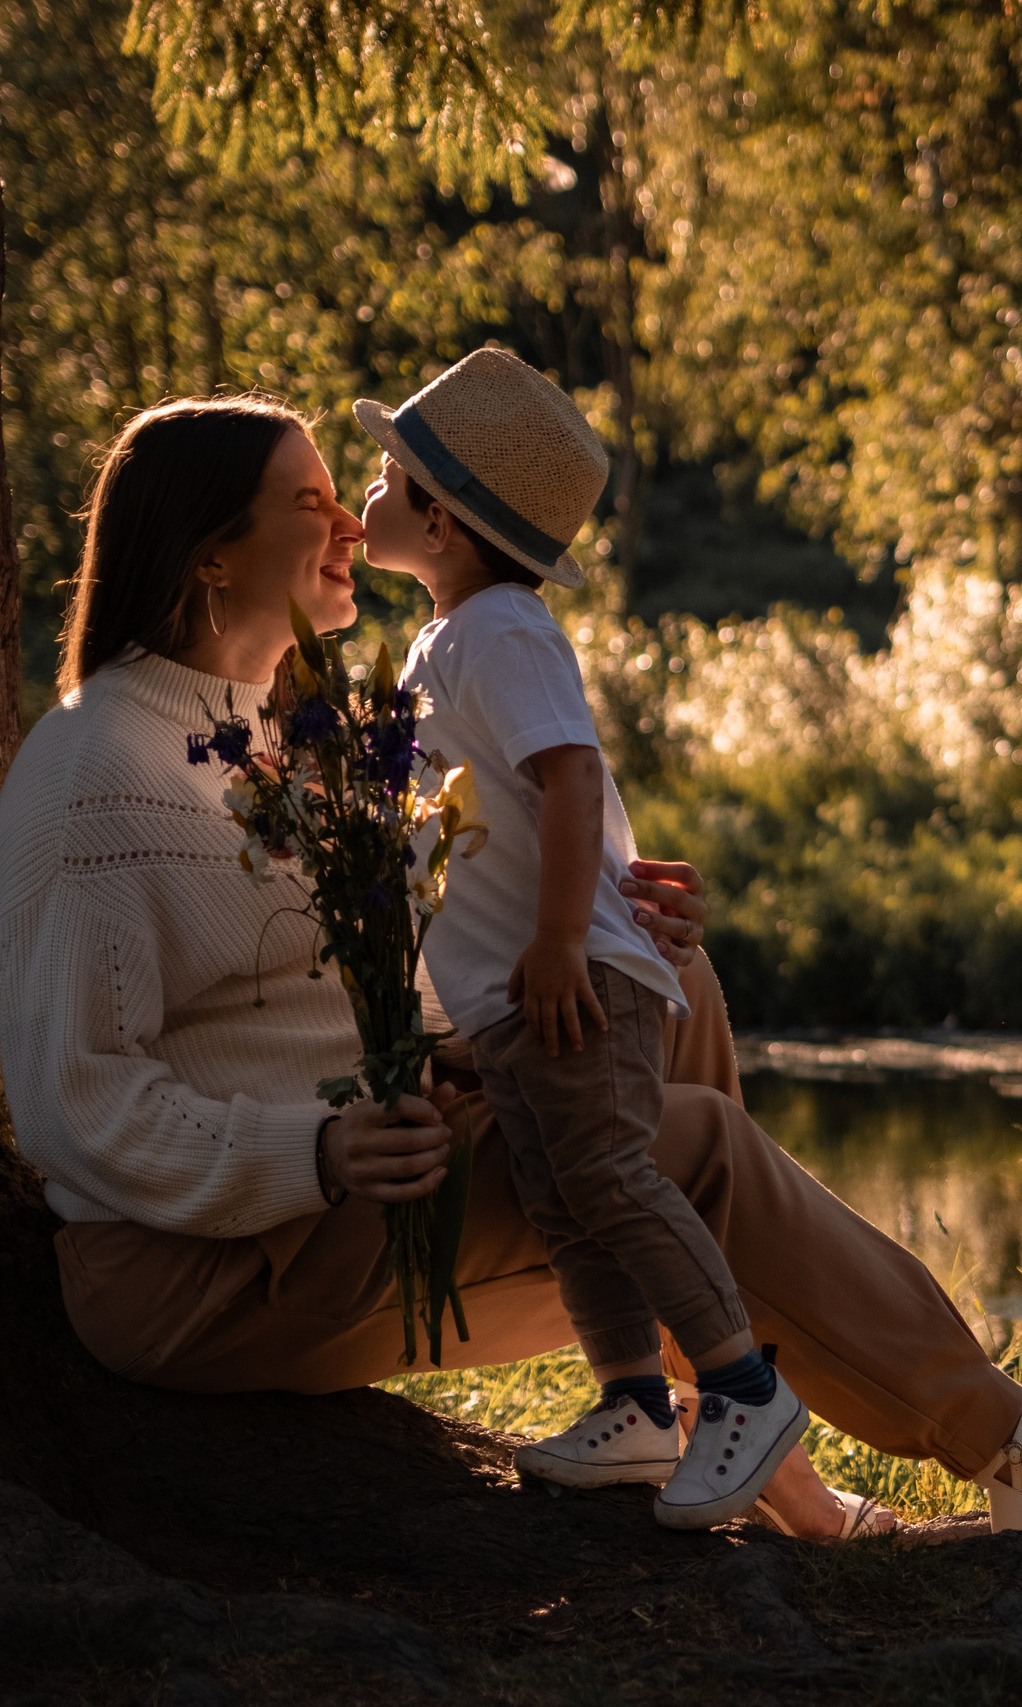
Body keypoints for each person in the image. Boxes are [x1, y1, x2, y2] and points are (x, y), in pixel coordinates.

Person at [0, 389, 1022, 1565]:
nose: (348, 525)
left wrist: (611, 942)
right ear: (207, 552)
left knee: (664, 1006)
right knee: (680, 1145)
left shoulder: (285, 738)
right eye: (309, 501)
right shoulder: (95, 775)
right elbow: (74, 1103)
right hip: (207, 1268)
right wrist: (312, 1151)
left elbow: (357, 988)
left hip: (351, 1206)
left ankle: (747, 1458)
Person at [353, 348, 801, 1528]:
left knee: (608, 1171)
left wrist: (556, 942)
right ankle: (634, 1407)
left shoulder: (501, 630)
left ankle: (744, 1391)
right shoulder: (448, 637)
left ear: (440, 521)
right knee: (563, 1196)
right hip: (518, 993)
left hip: (573, 980)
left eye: (384, 477)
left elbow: (566, 776)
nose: (366, 491)